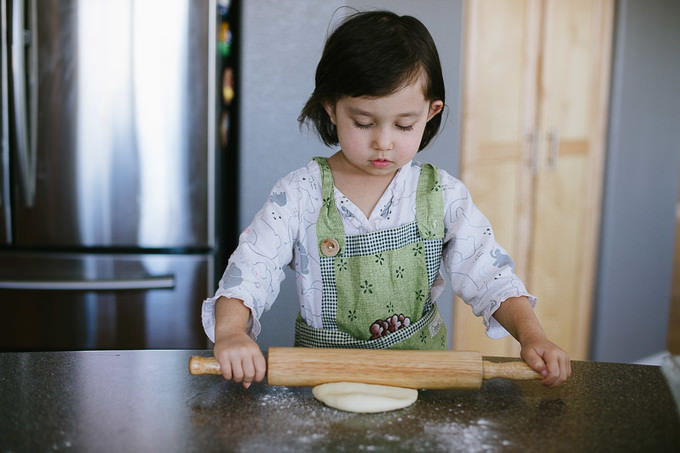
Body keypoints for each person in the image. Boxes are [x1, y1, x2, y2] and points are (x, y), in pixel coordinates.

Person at [201, 10, 571, 389]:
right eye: (363, 122)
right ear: (331, 107)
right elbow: (252, 269)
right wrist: (231, 332)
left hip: (421, 385)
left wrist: (532, 335)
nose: (383, 141)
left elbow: (490, 276)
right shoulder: (298, 195)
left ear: (431, 112)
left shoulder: (441, 196)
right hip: (325, 386)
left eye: (404, 125)